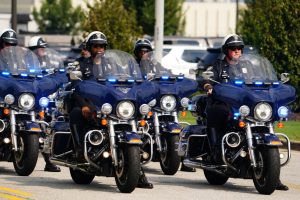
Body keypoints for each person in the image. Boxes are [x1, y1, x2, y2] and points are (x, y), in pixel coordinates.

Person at [203, 33, 288, 191]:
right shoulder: (218, 65)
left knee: (266, 120)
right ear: (226, 50)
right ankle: (215, 149)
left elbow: (260, 78)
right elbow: (208, 79)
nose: (237, 51)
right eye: (233, 48)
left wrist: (271, 85)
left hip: (244, 105)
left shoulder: (248, 65)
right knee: (219, 111)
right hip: (223, 102)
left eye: (239, 48)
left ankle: (273, 177)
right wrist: (208, 86)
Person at [28, 36, 61, 173]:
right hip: (29, 98)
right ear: (33, 50)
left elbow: (56, 74)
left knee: (49, 128)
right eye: (40, 49)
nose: (42, 51)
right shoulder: (26, 63)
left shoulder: (47, 62)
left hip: (45, 99)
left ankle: (49, 162)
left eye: (43, 49)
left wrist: (60, 74)